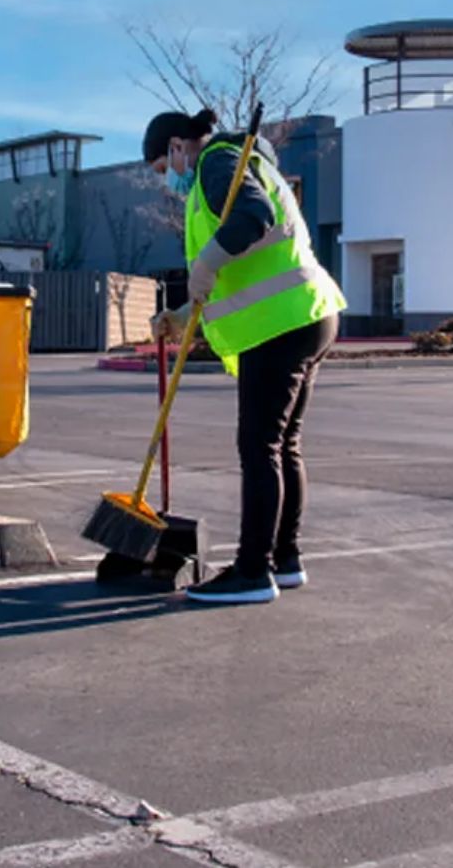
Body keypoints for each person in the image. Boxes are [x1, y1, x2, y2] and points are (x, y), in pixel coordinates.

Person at [144, 108, 347, 604]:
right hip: (310, 313)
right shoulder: (241, 161)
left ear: (176, 145)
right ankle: (285, 558)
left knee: (260, 449)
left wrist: (208, 261)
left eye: (161, 167)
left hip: (278, 325)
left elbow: (253, 219)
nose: (167, 179)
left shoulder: (217, 160)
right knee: (283, 446)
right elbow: (244, 270)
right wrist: (179, 314)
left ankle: (253, 572)